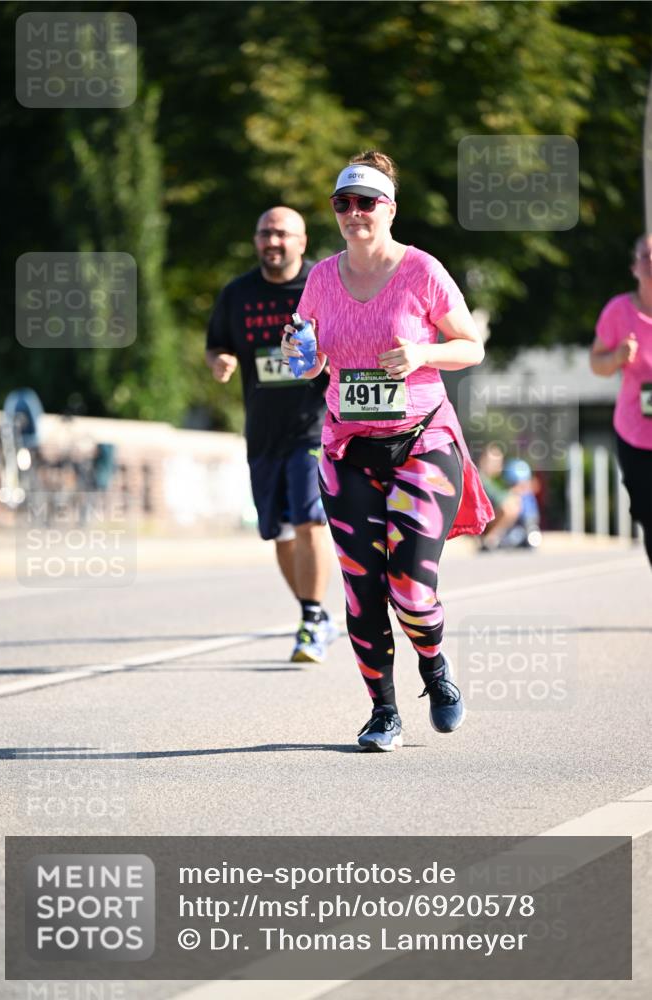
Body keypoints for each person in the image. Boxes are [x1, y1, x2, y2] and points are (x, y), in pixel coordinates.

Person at [281, 151, 494, 751]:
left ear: (390, 209)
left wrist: (424, 353)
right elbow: (310, 361)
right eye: (343, 203)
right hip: (347, 448)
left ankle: (435, 668)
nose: (354, 213)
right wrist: (299, 354)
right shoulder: (321, 279)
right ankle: (383, 712)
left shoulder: (421, 270)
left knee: (410, 588)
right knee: (362, 587)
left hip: (422, 440)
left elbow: (471, 346)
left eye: (365, 203)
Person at [206, 206, 338, 661]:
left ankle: (311, 620)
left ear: (302, 241)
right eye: (265, 233)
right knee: (279, 532)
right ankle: (313, 613)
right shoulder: (237, 293)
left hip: (314, 426)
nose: (273, 241)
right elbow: (216, 345)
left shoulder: (324, 286)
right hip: (263, 431)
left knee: (308, 519)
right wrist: (220, 361)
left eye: (282, 233)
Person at [590, 234, 652, 566]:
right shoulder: (619, 311)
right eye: (645, 255)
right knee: (648, 512)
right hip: (635, 433)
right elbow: (596, 363)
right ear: (634, 266)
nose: (651, 261)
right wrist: (616, 357)